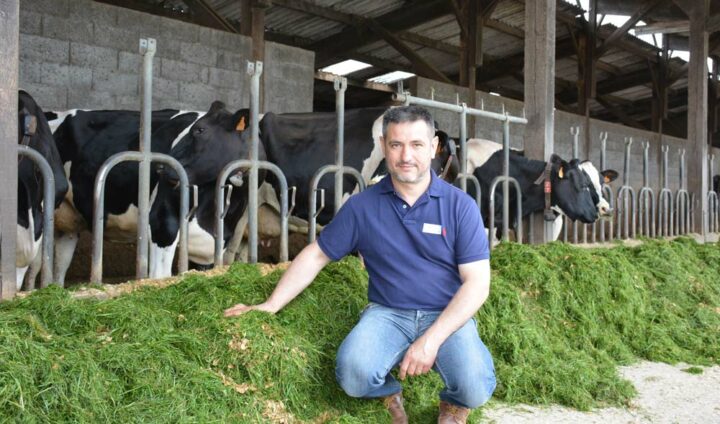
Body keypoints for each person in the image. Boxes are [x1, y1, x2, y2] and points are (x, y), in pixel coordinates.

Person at [224, 105, 496, 424]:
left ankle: (453, 404)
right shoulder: (362, 206)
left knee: (474, 386)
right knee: (354, 376)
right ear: (383, 146)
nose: (406, 155)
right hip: (389, 312)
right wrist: (270, 305)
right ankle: (389, 390)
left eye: (417, 144)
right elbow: (316, 255)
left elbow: (477, 283)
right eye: (396, 145)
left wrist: (431, 340)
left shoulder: (460, 206)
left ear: (434, 146)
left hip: (446, 313)